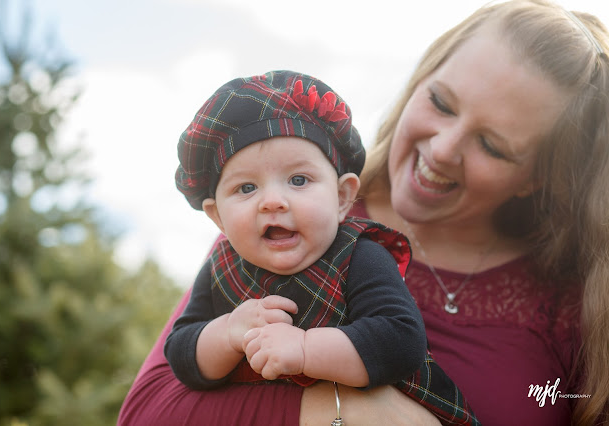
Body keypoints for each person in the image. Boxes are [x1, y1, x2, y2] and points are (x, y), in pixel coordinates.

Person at [118, 1, 609, 425]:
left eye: (491, 144)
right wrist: (347, 411)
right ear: (420, 79)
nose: (443, 149)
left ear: (538, 177)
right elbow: (146, 412)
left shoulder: (578, 298)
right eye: (441, 102)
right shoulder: (273, 231)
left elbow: (396, 339)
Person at [164, 70, 478, 425]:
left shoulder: (358, 255)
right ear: (217, 215)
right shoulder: (221, 269)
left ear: (343, 197)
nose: (272, 201)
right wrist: (227, 333)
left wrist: (304, 349)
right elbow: (180, 353)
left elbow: (400, 341)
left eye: (299, 180)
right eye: (246, 188)